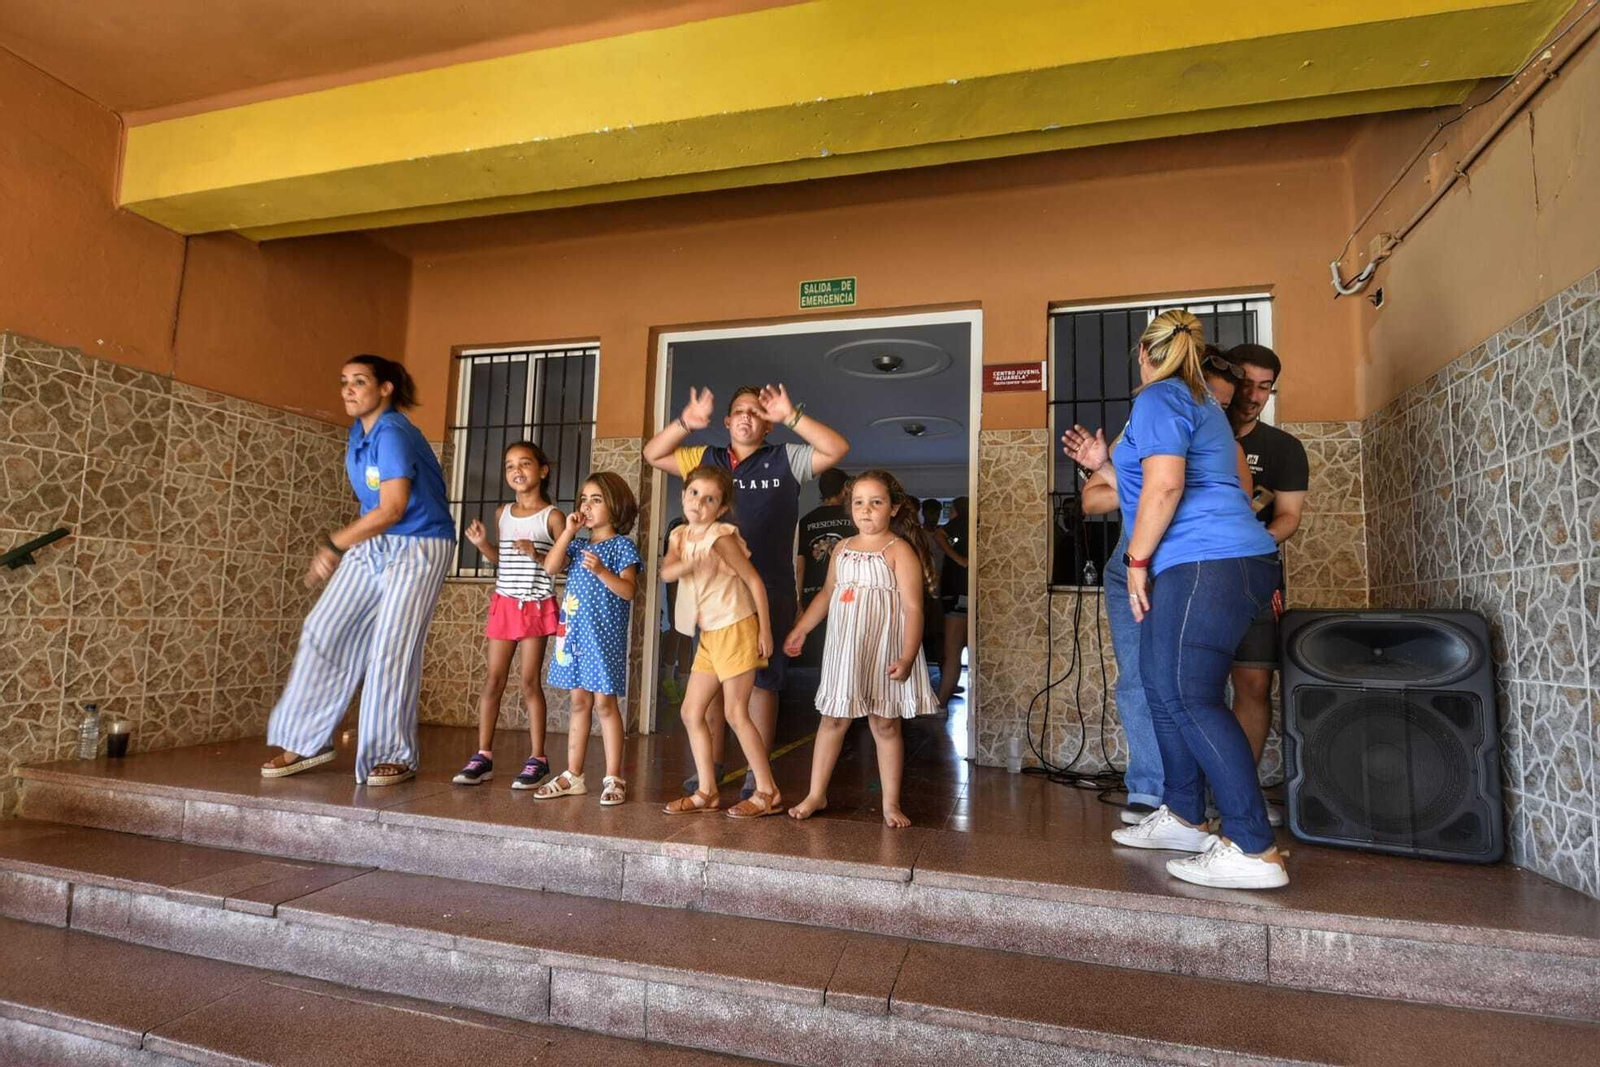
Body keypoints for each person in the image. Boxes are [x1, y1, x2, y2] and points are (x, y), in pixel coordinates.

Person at [1100, 310, 1287, 890]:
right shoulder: (1201, 404)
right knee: (1162, 686)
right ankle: (1183, 816)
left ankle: (1254, 848)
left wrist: (1135, 560)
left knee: (1189, 694)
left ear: (1144, 354)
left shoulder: (1160, 398)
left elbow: (1166, 485)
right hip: (1215, 561)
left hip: (1206, 560)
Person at [1062, 347, 1251, 824]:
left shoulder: (1222, 442)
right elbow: (1094, 498)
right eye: (1206, 395)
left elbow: (1214, 494)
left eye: (1222, 404)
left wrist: (1149, 485)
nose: (1211, 407)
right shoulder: (1149, 418)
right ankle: (1151, 789)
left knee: (1191, 685)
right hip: (1131, 560)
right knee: (1138, 680)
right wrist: (1128, 478)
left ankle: (1200, 804)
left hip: (1186, 562)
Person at [643, 384, 849, 798]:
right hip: (713, 595)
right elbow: (652, 455)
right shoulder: (707, 459)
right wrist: (687, 422)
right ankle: (713, 766)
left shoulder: (785, 458)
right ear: (726, 421)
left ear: (767, 424)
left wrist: (790, 415)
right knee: (715, 679)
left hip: (768, 589)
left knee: (762, 683)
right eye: (739, 410)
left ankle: (758, 773)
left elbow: (836, 449)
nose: (747, 417)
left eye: (757, 413)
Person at [261, 355, 455, 786]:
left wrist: (335, 544)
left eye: (359, 382)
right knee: (323, 627)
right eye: (344, 381)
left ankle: (393, 753)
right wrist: (352, 542)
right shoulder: (359, 434)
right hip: (376, 542)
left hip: (422, 542)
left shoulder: (394, 433)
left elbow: (393, 508)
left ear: (385, 388)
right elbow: (374, 506)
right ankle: (306, 738)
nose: (348, 389)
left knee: (391, 647)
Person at [784, 470, 939, 827]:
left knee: (885, 724)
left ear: (894, 508)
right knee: (833, 718)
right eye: (858, 503)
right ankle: (815, 794)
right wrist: (802, 629)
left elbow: (914, 608)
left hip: (887, 651)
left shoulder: (899, 551)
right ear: (849, 508)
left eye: (876, 502)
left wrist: (908, 654)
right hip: (845, 650)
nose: (866, 510)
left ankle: (890, 803)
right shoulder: (841, 548)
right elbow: (826, 594)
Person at [661, 467, 782, 818]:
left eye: (710, 498)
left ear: (722, 506)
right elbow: (666, 571)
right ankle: (707, 791)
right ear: (683, 495)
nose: (699, 503)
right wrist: (682, 566)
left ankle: (767, 791)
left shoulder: (721, 537)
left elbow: (755, 582)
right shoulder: (680, 536)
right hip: (710, 633)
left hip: (736, 626)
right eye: (694, 493)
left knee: (735, 712)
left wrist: (765, 630)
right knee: (690, 712)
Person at [1225, 343, 1309, 801]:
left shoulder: (1284, 448)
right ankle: (1182, 796)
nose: (1253, 395)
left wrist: (1250, 542)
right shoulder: (1199, 434)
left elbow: (1289, 517)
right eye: (1245, 383)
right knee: (1189, 687)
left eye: (1264, 387)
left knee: (1254, 683)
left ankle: (1237, 794)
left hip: (1256, 579)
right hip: (1195, 578)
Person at [453, 442, 563, 789]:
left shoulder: (553, 517)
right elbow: (501, 559)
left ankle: (538, 759)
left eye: (525, 463)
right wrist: (483, 544)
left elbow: (566, 562)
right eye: (510, 465)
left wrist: (536, 554)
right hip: (504, 602)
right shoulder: (503, 514)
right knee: (493, 680)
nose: (517, 470)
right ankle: (483, 755)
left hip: (535, 604)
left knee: (529, 682)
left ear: (543, 470)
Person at [533, 473, 640, 807]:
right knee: (578, 703)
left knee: (605, 705)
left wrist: (602, 572)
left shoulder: (622, 546)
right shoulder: (578, 545)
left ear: (616, 504)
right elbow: (550, 567)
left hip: (602, 639)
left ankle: (613, 777)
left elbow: (628, 591)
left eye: (597, 499)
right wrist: (567, 531)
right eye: (584, 499)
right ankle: (573, 775)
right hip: (573, 637)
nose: (587, 506)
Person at [794, 467, 854, 668]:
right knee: (844, 656)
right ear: (845, 490)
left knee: (815, 657)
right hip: (848, 596)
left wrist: (798, 603)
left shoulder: (806, 521)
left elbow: (799, 566)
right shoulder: (854, 520)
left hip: (813, 597)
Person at [933, 497, 969, 707]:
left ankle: (940, 704)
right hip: (964, 594)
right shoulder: (971, 527)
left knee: (952, 652)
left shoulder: (963, 520)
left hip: (959, 595)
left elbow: (939, 535)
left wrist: (959, 560)